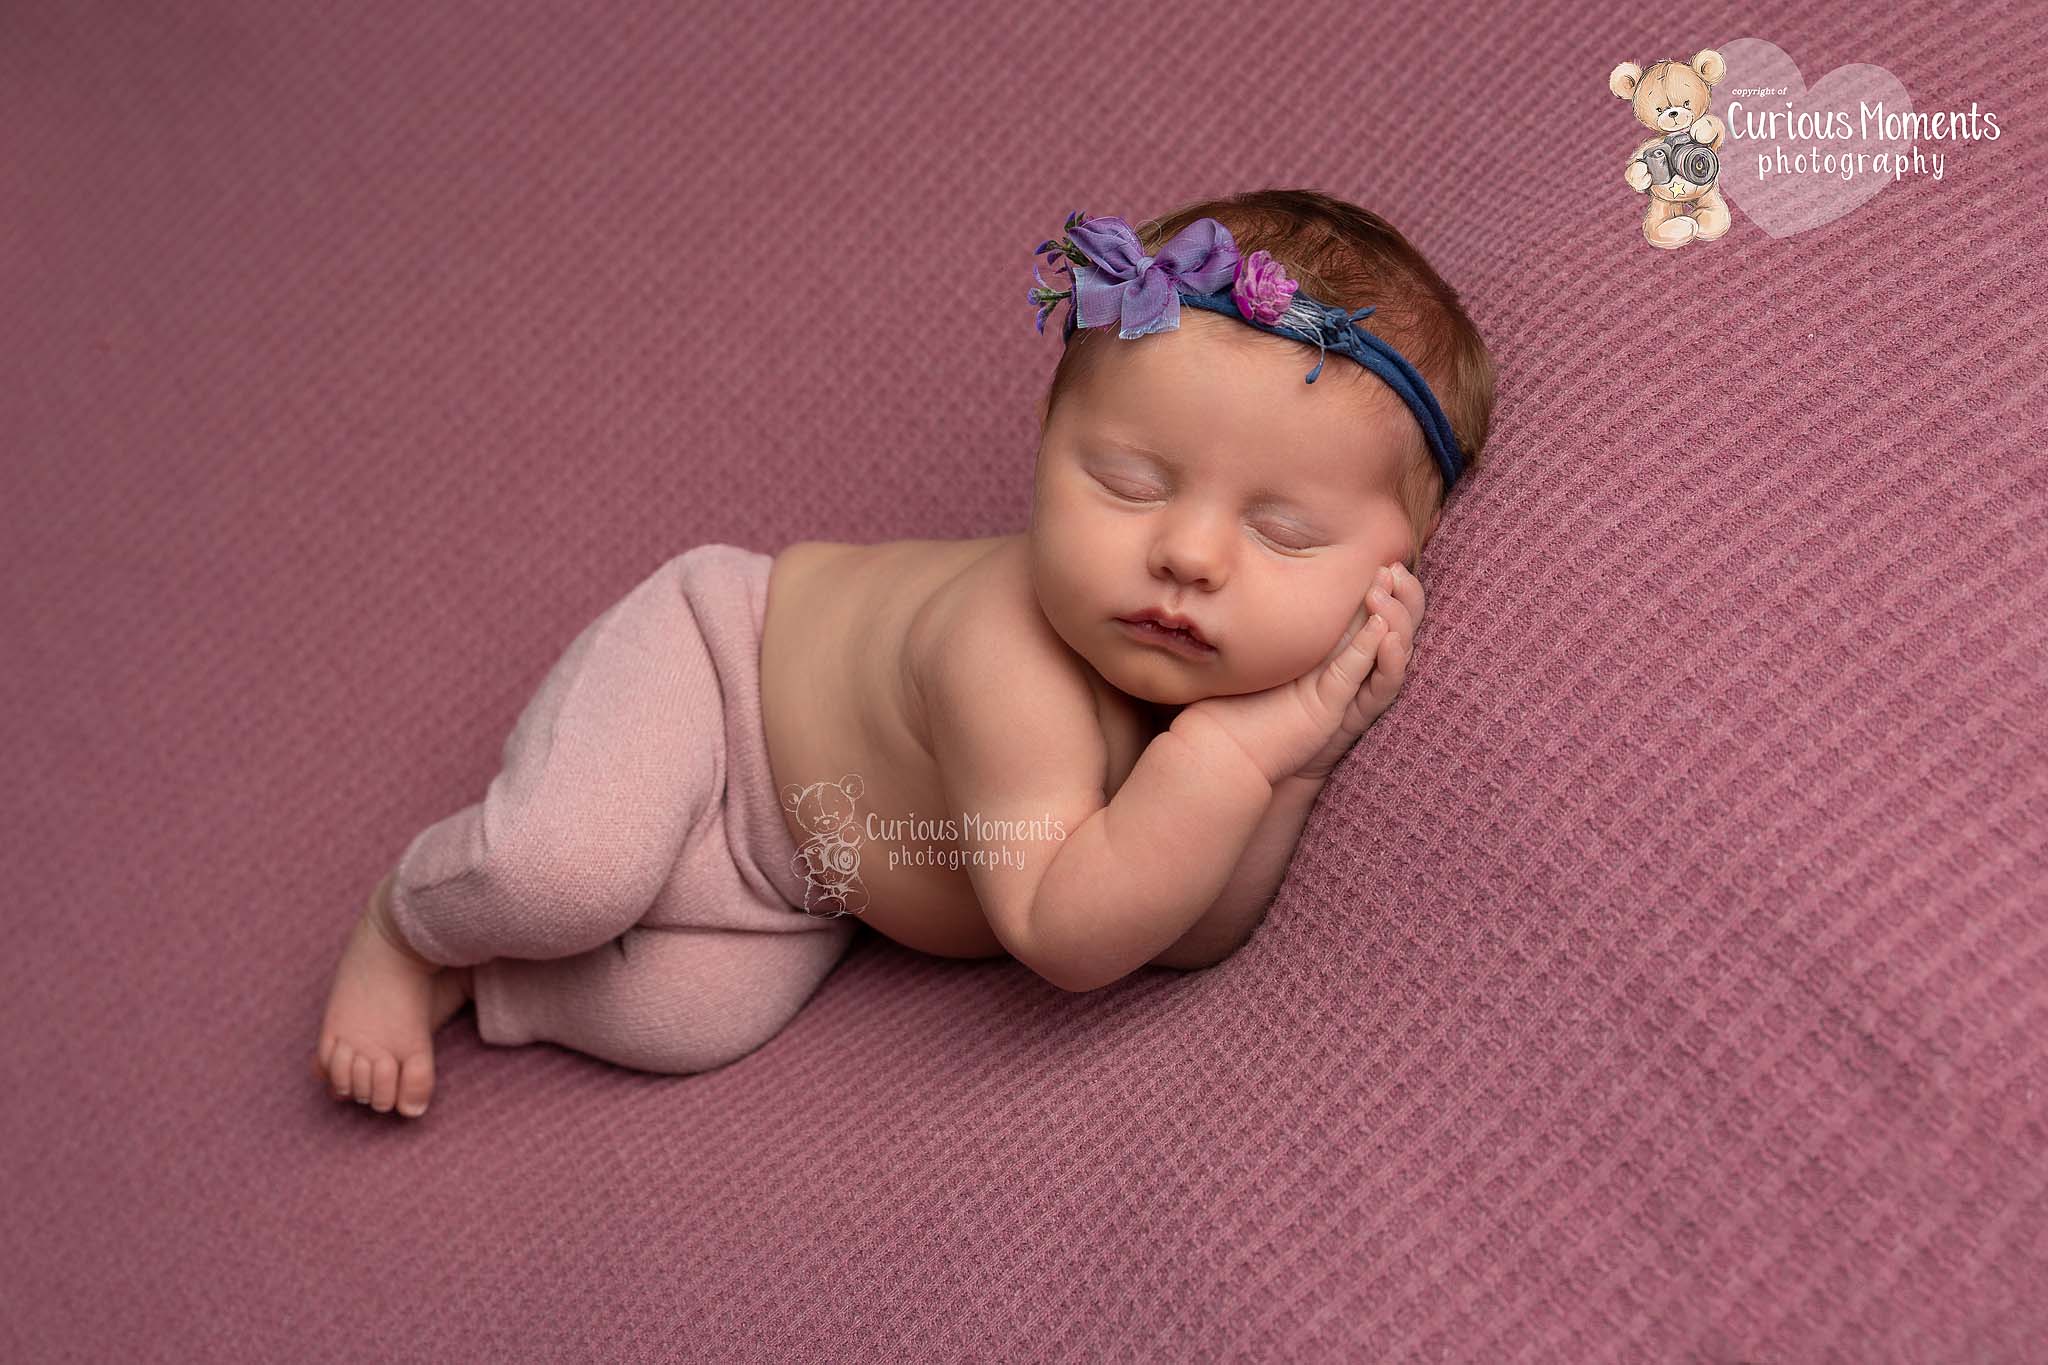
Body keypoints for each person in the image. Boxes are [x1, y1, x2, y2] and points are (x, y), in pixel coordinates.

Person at [311, 187, 1498, 1119]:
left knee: (691, 1019)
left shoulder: (1218, 695)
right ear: (1045, 442)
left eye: (1281, 532)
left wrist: (1291, 763)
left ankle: (481, 978)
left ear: (1399, 562)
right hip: (719, 672)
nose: (1185, 555)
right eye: (1127, 483)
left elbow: (1178, 933)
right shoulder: (1005, 652)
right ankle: (410, 920)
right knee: (571, 869)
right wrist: (1236, 756)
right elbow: (1067, 931)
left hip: (801, 878)